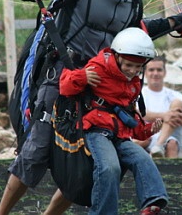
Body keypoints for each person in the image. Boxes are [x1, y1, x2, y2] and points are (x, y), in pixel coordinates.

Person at [0, 0, 182, 215]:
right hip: (61, 76)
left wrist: (171, 23)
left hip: (100, 85)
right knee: (36, 149)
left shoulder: (133, 0)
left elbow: (134, 33)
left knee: (84, 166)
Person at [60, 27, 169, 215]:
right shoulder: (98, 67)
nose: (133, 71)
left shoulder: (133, 82)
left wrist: (148, 129)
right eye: (129, 65)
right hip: (95, 131)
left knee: (143, 158)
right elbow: (65, 86)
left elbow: (130, 118)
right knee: (110, 167)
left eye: (138, 67)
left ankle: (153, 201)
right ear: (117, 56)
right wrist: (82, 77)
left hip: (119, 135)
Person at [138, 55, 182, 158]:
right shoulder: (139, 94)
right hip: (146, 137)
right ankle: (157, 147)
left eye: (159, 70)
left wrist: (180, 116)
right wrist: (164, 116)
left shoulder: (176, 95)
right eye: (151, 70)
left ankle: (159, 145)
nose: (155, 73)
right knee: (142, 140)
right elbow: (138, 113)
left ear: (165, 72)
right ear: (145, 73)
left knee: (177, 104)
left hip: (172, 140)